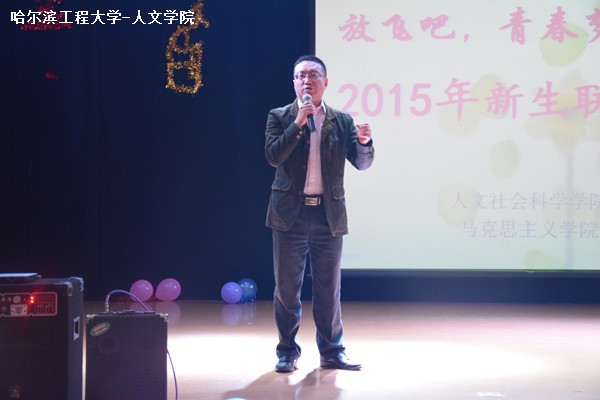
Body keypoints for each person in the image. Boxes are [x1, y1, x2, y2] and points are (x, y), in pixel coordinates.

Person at [264, 55, 374, 373]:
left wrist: (365, 143)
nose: (306, 80)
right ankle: (287, 351)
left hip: (328, 215)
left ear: (326, 82)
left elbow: (362, 162)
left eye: (313, 75)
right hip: (290, 216)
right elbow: (273, 156)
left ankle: (332, 351)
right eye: (300, 76)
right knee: (287, 290)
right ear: (294, 83)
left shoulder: (341, 120)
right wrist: (299, 123)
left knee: (329, 289)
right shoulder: (280, 116)